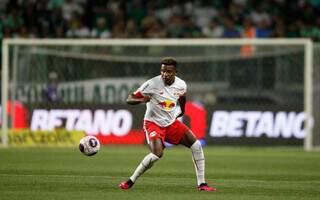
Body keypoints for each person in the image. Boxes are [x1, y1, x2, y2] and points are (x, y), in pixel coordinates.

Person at [119, 57, 216, 191]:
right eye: (163, 71)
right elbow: (130, 99)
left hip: (171, 123)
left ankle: (202, 184)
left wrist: (182, 110)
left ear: (175, 72)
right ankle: (130, 181)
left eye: (169, 71)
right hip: (153, 123)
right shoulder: (151, 84)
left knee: (196, 145)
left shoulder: (181, 84)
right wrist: (143, 99)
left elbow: (182, 97)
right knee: (157, 153)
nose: (165, 74)